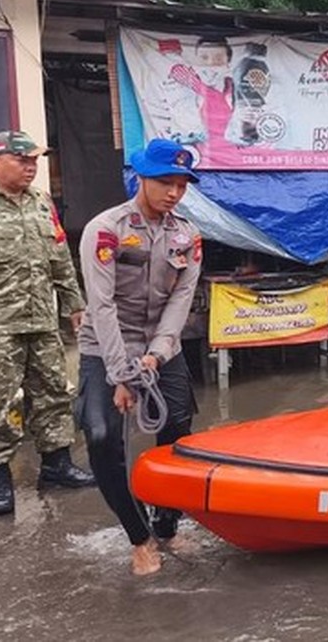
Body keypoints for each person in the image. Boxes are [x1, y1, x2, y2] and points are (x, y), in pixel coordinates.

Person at [75, 138, 202, 574]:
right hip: (106, 345)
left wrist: (156, 355)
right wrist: (120, 374)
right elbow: (102, 304)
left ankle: (166, 525)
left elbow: (180, 302)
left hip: (159, 349)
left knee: (178, 429)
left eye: (182, 185)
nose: (174, 192)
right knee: (101, 436)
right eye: (165, 181)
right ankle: (139, 535)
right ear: (141, 178)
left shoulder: (187, 235)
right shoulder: (106, 230)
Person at [0, 131, 94, 517]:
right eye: (22, 159)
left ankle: (57, 464)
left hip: (42, 321)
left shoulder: (42, 203)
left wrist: (74, 305)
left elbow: (60, 257)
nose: (31, 166)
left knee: (53, 391)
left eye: (34, 160)